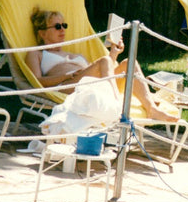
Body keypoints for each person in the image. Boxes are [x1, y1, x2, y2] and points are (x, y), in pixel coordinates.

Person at [25, 7, 177, 122]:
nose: (63, 30)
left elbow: (102, 71)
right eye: (57, 26)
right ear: (42, 33)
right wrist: (65, 76)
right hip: (68, 85)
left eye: (64, 25)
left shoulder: (74, 54)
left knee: (129, 63)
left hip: (92, 83)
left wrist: (114, 53)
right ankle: (116, 105)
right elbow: (37, 82)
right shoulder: (36, 54)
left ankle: (151, 109)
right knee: (104, 61)